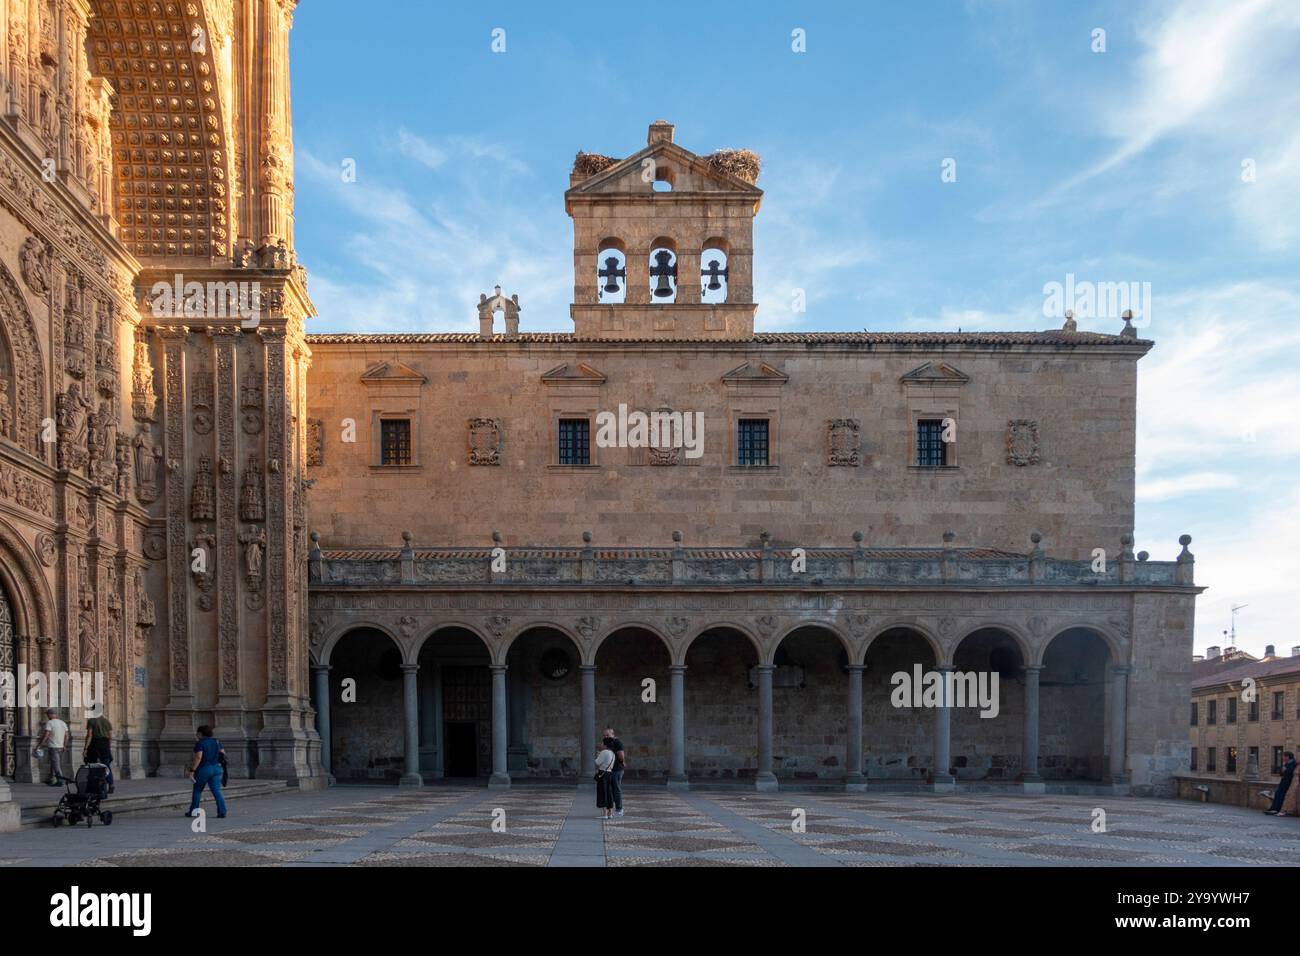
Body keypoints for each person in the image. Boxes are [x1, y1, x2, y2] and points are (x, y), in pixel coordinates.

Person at [186, 725, 228, 819]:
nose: (196, 735)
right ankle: (222, 812)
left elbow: (198, 757)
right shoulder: (217, 741)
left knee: (197, 790)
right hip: (217, 768)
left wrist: (192, 770)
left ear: (201, 733)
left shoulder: (200, 743)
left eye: (197, 733)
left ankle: (194, 812)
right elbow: (223, 754)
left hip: (204, 769)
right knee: (217, 790)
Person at [36, 709, 69, 786]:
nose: (47, 716)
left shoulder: (50, 723)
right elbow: (67, 736)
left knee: (56, 765)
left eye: (47, 714)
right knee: (54, 763)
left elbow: (46, 735)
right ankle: (52, 779)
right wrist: (65, 745)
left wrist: (39, 745)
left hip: (53, 746)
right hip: (60, 747)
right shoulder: (63, 723)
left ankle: (61, 782)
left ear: (51, 714)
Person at [83, 712, 114, 793]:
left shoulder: (91, 721)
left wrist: (85, 748)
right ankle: (111, 784)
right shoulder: (106, 721)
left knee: (92, 765)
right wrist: (108, 747)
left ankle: (92, 784)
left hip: (95, 744)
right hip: (105, 744)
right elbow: (110, 736)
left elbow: (89, 735)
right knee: (106, 765)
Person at [602, 727, 626, 818]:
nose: (605, 737)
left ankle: (619, 809)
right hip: (608, 770)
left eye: (607, 735)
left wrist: (622, 761)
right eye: (604, 735)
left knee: (616, 789)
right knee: (609, 790)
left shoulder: (617, 742)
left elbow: (621, 756)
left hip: (616, 769)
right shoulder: (607, 743)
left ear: (613, 735)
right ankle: (610, 811)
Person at [595, 745, 616, 819]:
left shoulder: (604, 752)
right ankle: (610, 813)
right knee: (609, 792)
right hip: (609, 773)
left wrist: (598, 755)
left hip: (603, 773)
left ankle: (605, 814)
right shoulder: (612, 753)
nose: (600, 746)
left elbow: (597, 762)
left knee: (602, 792)